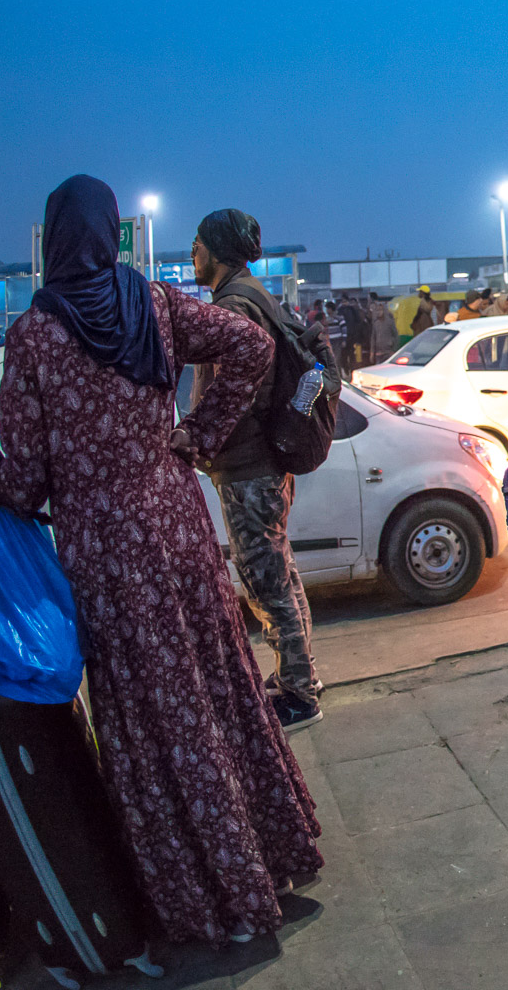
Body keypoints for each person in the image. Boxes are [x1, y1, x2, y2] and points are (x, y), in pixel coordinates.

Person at [0, 175, 321, 945]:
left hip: (106, 551)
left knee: (156, 715)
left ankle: (214, 898)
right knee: (218, 686)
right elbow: (254, 346)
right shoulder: (152, 304)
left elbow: (25, 483)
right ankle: (271, 860)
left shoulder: (36, 335)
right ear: (109, 233)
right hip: (179, 525)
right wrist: (196, 436)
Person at [188, 208, 323, 732]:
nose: (193, 253)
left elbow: (242, 389)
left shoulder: (234, 306)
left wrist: (198, 435)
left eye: (198, 244)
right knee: (280, 572)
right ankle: (299, 676)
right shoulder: (255, 294)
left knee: (266, 581)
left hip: (249, 467)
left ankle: (299, 696)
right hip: (264, 462)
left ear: (217, 249)